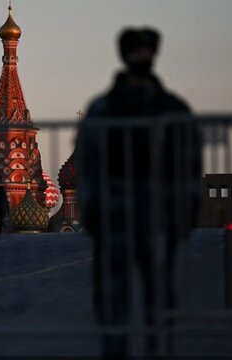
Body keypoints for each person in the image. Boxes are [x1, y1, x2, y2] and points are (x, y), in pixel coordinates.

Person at [76, 27, 202, 356]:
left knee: (160, 298)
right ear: (125, 55)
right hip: (114, 215)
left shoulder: (172, 108)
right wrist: (91, 209)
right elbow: (88, 162)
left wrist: (187, 208)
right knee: (113, 299)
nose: (142, 57)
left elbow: (190, 162)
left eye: (147, 51)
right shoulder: (104, 109)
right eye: (136, 51)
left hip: (158, 214)